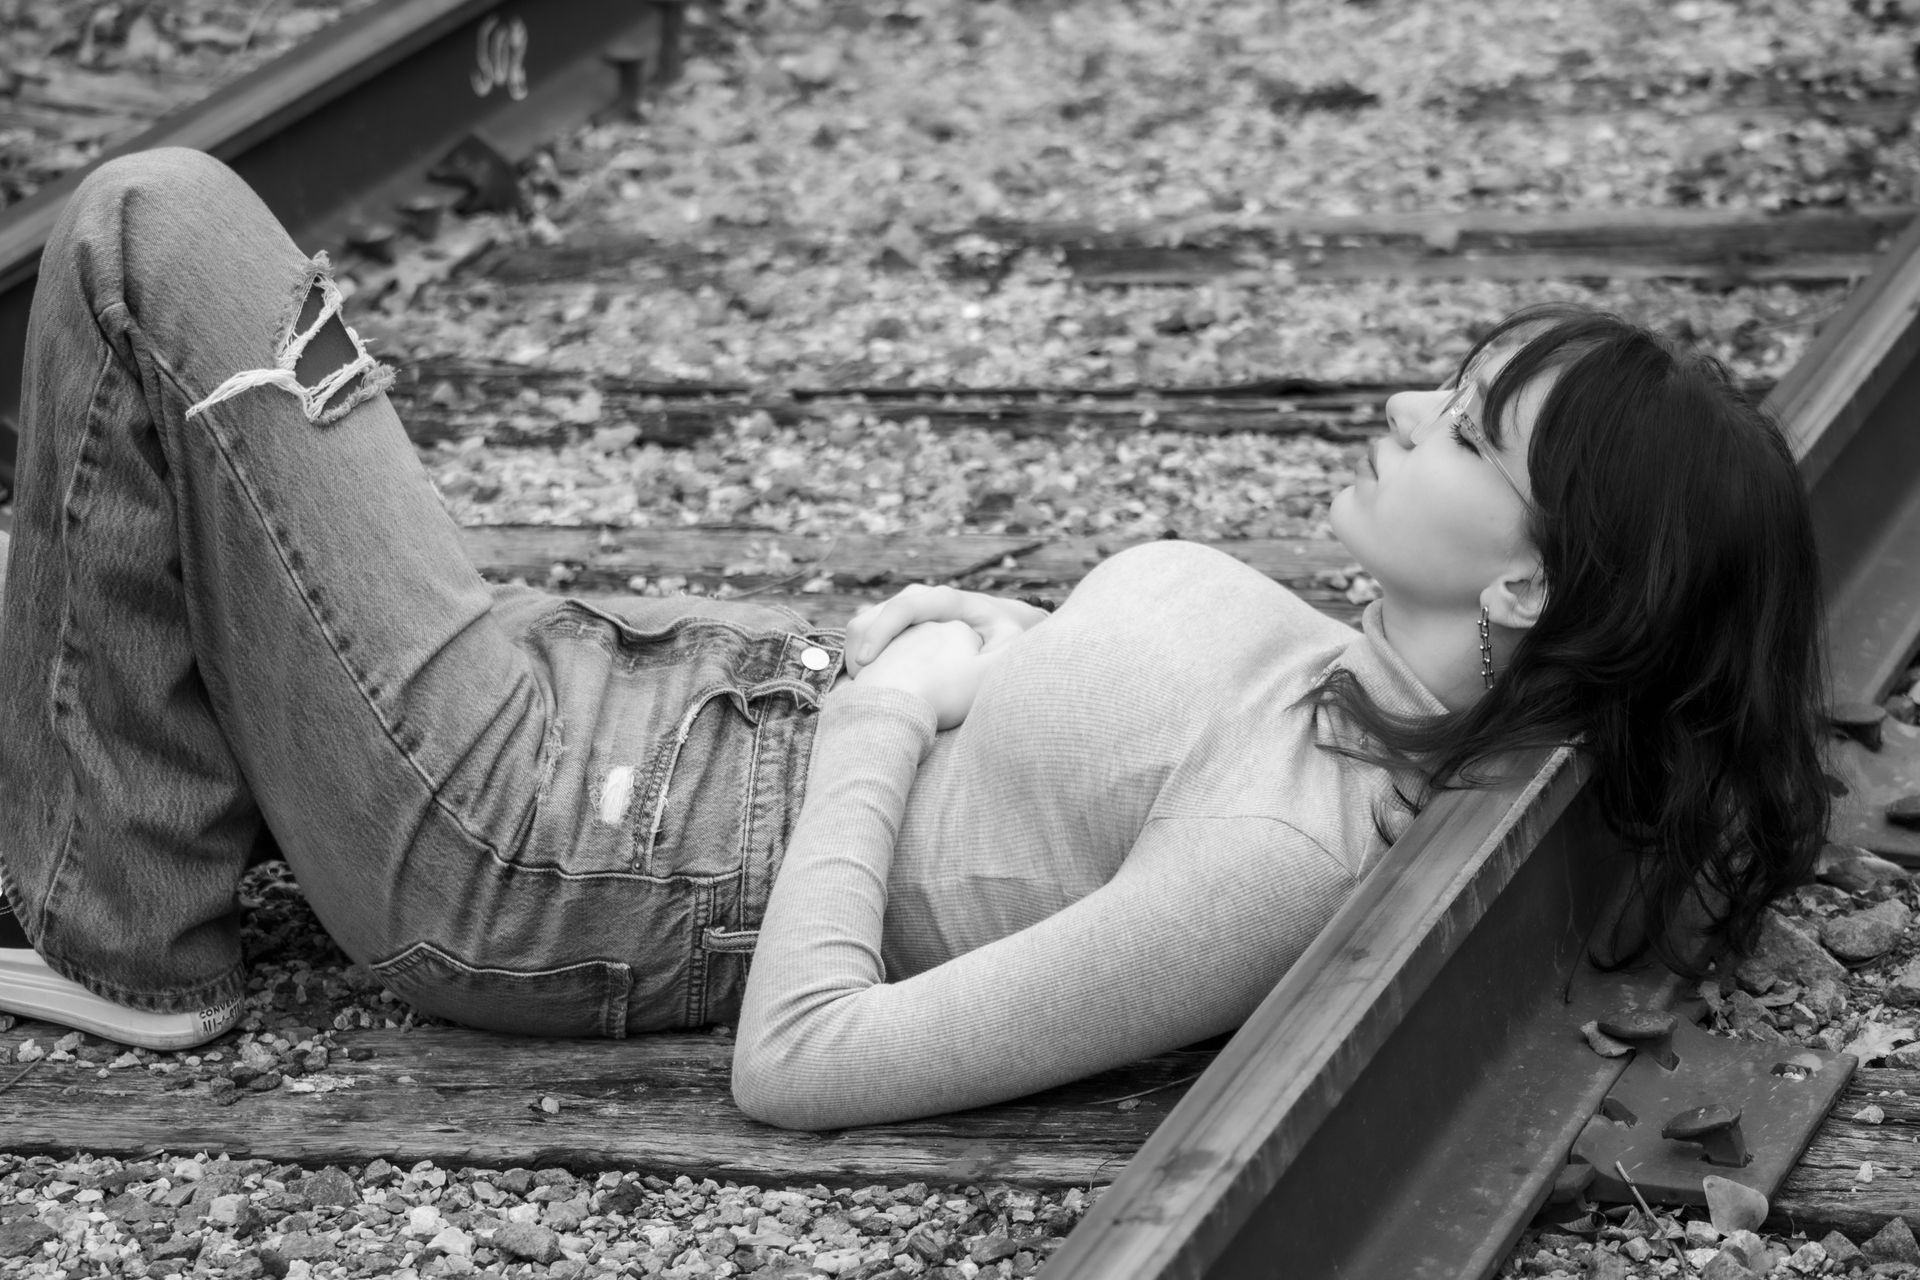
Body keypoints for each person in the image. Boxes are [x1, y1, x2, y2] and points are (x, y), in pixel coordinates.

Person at [0, 149, 1831, 1130]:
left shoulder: (1288, 854)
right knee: (96, 486)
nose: (1404, 409)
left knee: (156, 233)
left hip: (544, 851)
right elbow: (1080, 762)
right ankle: (124, 844)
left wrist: (885, 715)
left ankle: (130, 948)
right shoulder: (1374, 687)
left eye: (1464, 431)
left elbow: (808, 1059)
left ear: (1526, 587)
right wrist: (999, 636)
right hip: (630, 710)